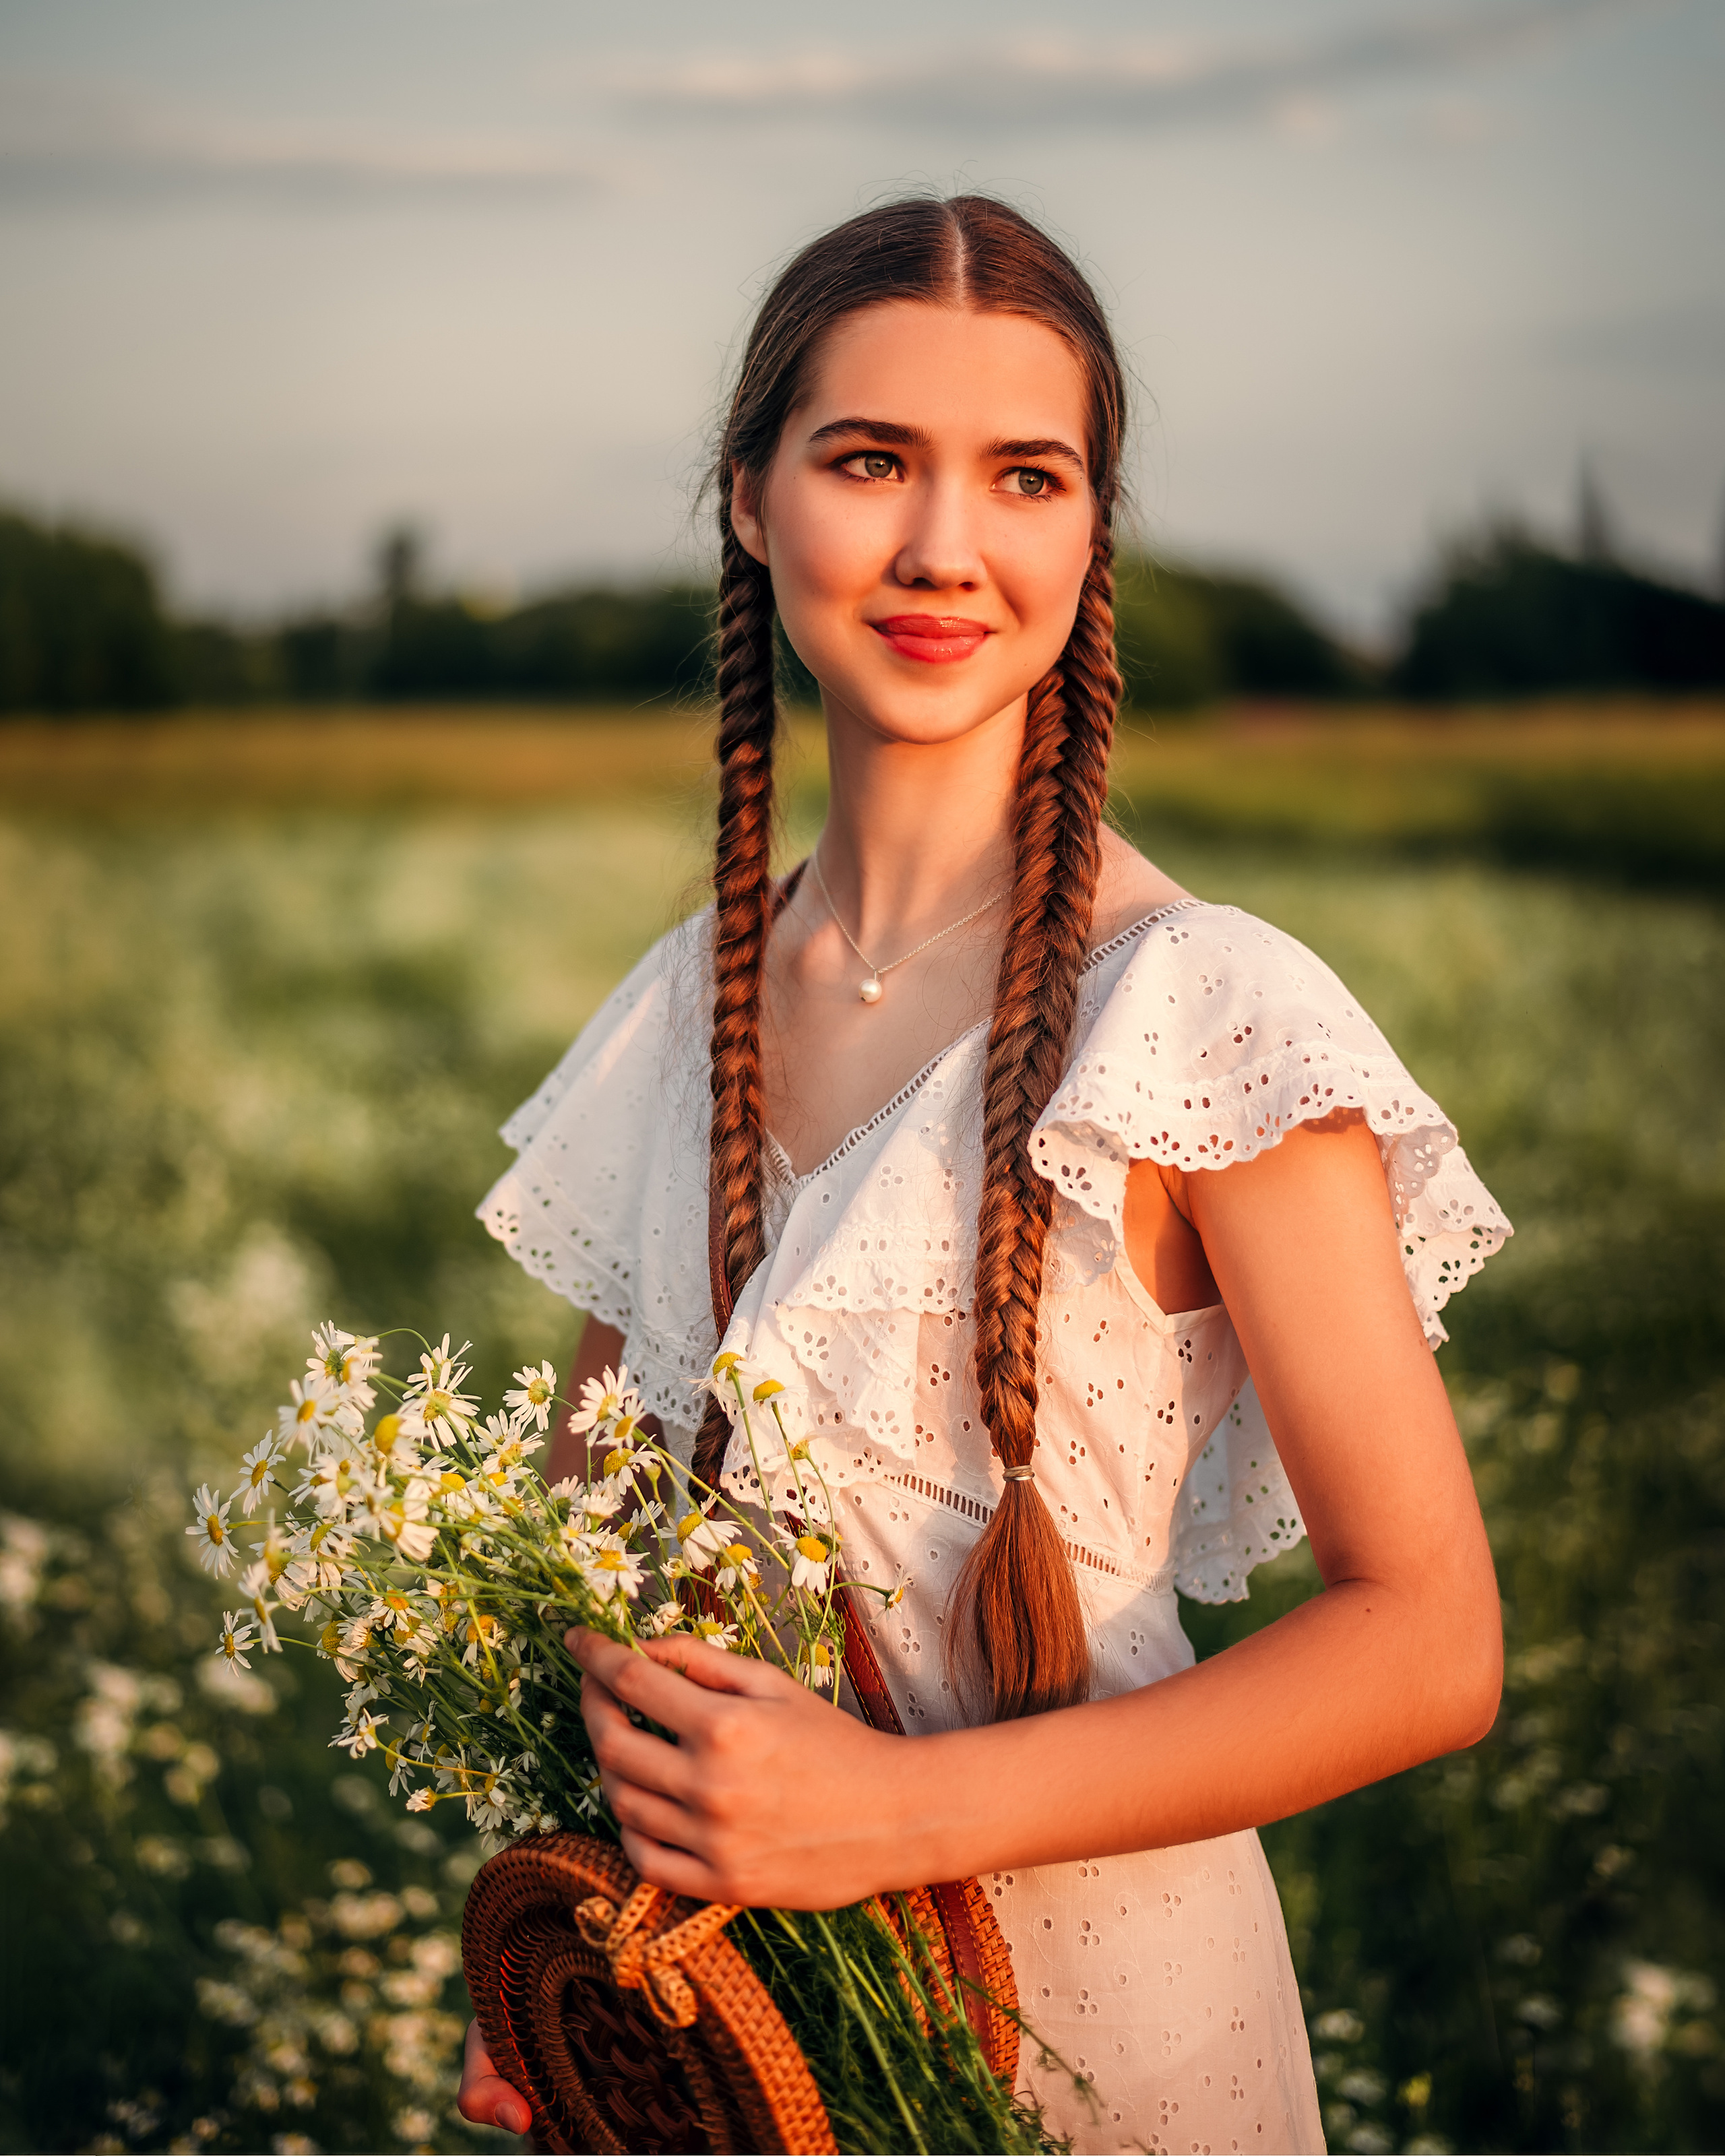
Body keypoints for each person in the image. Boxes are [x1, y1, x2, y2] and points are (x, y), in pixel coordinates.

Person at [459, 193, 1508, 2154]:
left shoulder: (1203, 1010)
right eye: (869, 461)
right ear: (752, 498)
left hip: (1121, 2048)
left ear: (1091, 529)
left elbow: (1430, 1639)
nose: (946, 546)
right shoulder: (693, 1002)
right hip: (747, 2057)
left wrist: (889, 1817)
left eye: (1025, 475)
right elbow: (588, 1540)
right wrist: (554, 1933)